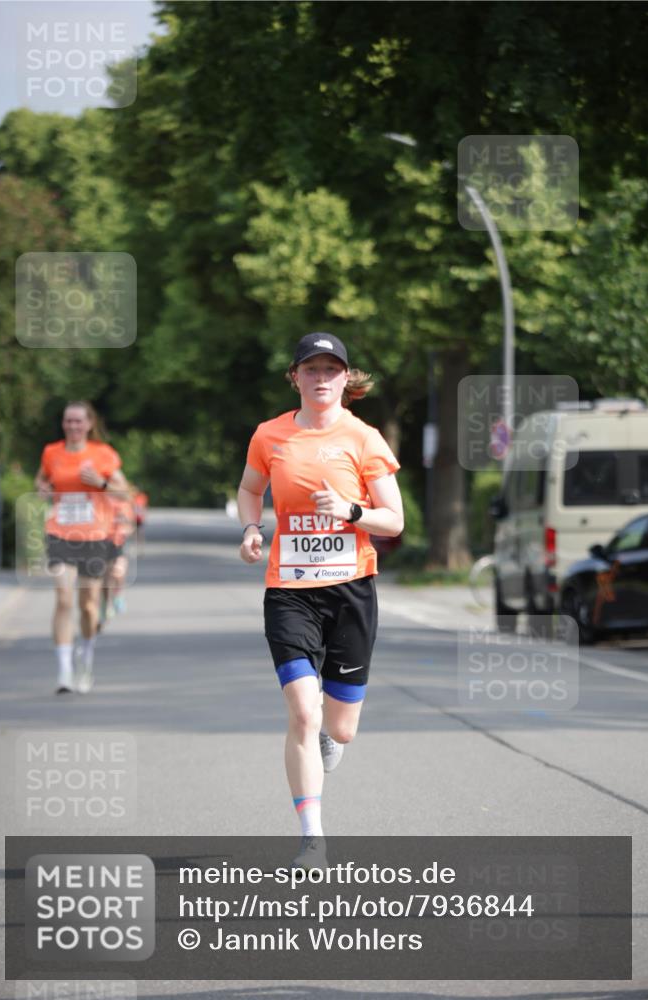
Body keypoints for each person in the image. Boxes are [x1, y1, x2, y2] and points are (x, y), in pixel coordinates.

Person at [237, 333, 404, 870]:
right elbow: (249, 488)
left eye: (332, 369)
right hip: (289, 591)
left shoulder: (365, 439)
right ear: (296, 376)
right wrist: (249, 527)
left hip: (350, 591)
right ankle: (312, 834)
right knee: (303, 712)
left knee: (340, 728)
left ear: (346, 379)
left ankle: (330, 742)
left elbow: (394, 521)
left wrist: (351, 511)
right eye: (312, 368)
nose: (322, 378)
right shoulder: (270, 435)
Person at [35, 401, 128, 694]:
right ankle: (64, 671)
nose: (72, 426)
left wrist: (101, 483)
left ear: (89, 424)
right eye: (67, 421)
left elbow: (125, 491)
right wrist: (42, 488)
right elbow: (41, 479)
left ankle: (85, 656)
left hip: (94, 536)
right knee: (63, 598)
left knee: (88, 606)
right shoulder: (52, 452)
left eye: (78, 421)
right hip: (60, 532)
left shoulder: (103, 454)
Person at [99, 487, 136, 628]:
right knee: (104, 579)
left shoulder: (125, 504)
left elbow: (130, 525)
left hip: (119, 543)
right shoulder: (100, 502)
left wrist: (125, 529)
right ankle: (105, 605)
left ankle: (118, 595)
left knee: (118, 573)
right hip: (101, 542)